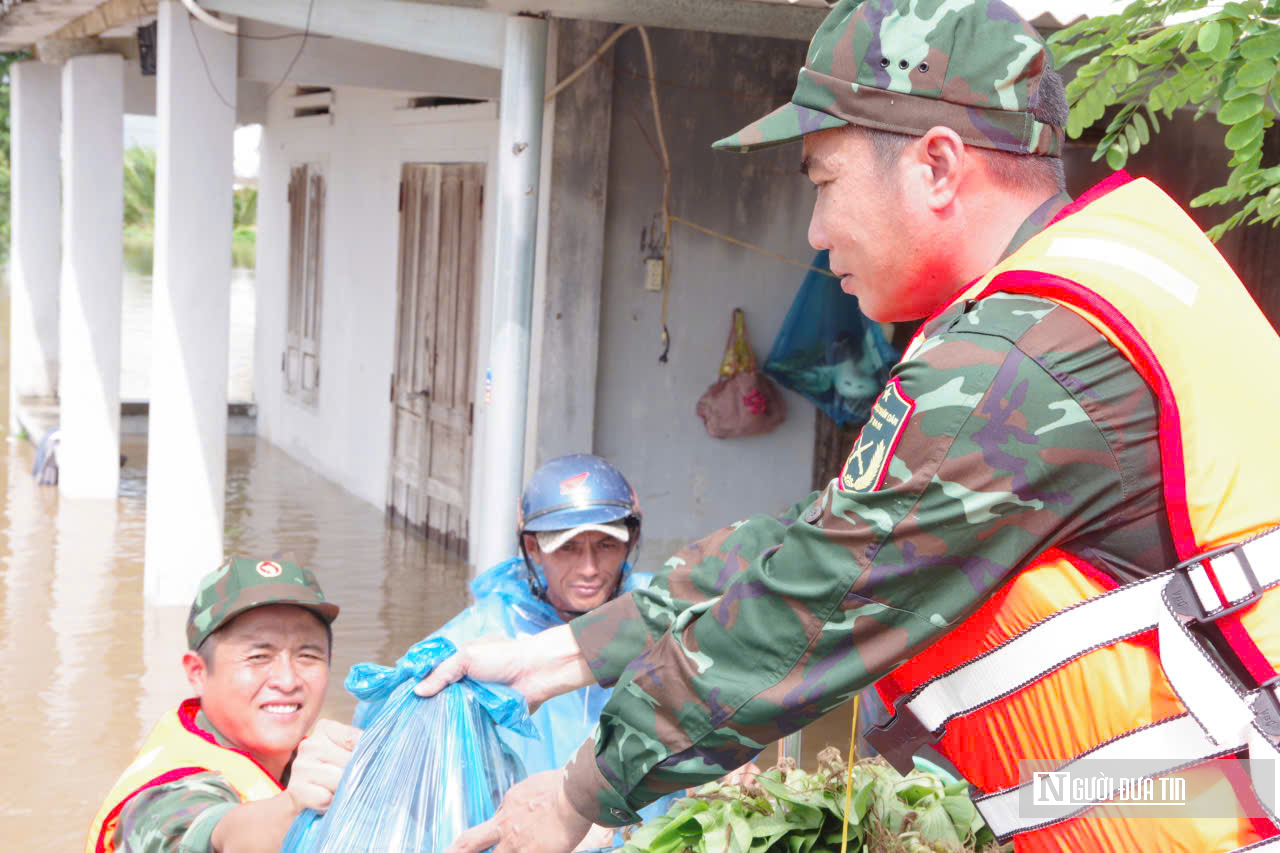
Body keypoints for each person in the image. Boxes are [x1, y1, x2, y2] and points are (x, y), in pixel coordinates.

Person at [420, 1, 1280, 851]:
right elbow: (836, 531)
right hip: (1219, 785)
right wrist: (582, 648)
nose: (817, 233)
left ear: (937, 166)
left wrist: (582, 791)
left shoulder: (1014, 360)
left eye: (825, 185)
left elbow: (816, 595)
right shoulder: (1122, 266)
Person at [418, 454, 684, 850]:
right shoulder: (475, 640)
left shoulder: (672, 619)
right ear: (533, 547)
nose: (590, 568)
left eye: (606, 544)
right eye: (568, 548)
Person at [86, 558, 360, 853]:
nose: (287, 680)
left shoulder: (309, 759)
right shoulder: (162, 797)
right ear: (198, 673)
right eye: (259, 657)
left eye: (308, 656)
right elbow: (210, 834)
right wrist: (294, 810)